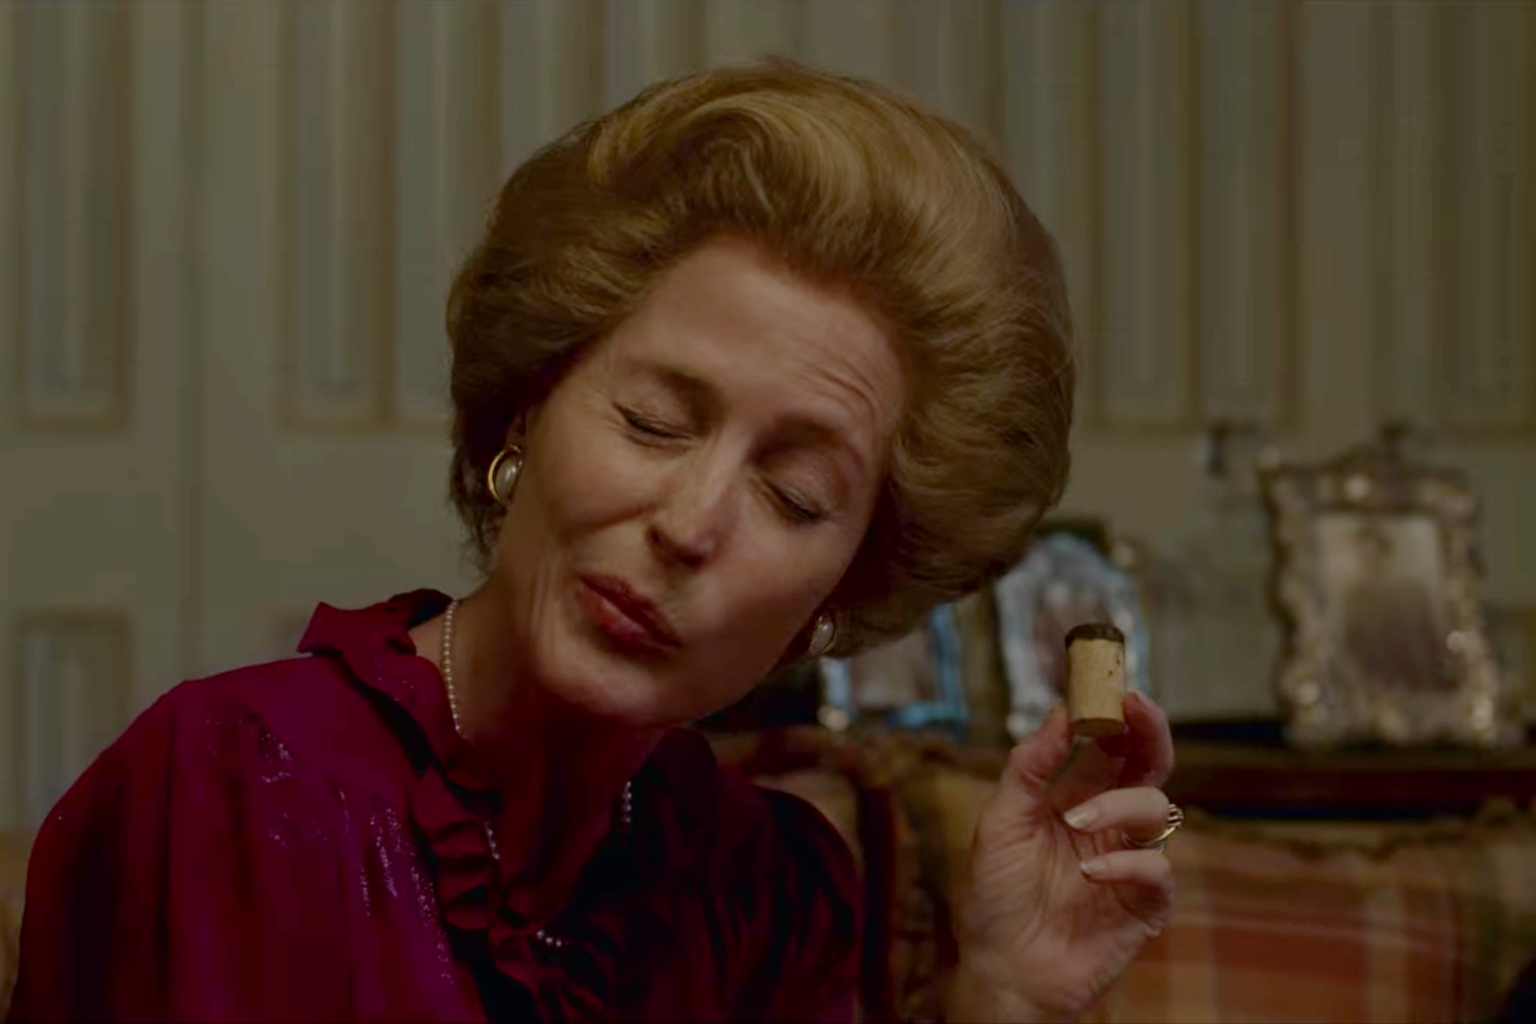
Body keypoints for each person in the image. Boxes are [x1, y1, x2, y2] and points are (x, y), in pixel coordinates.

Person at [9, 57, 1178, 1023]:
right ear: (528, 411)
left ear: (842, 590)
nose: (690, 524)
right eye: (653, 422)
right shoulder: (238, 790)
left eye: (794, 495)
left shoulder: (766, 896)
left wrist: (1004, 1000)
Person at [1340, 522, 1453, 692]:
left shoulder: (1413, 594)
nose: (1370, 563)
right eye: (1364, 558)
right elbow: (1350, 649)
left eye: (1374, 556)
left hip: (1418, 682)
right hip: (1376, 687)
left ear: (1386, 555)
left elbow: (1432, 643)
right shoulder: (1355, 599)